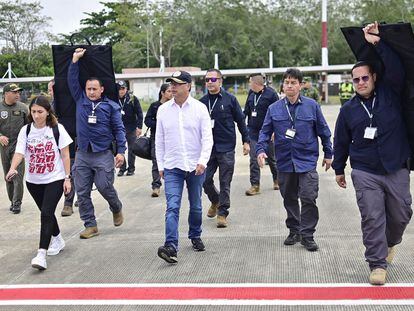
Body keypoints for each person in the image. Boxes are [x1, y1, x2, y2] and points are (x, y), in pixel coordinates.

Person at [332, 22, 412, 286]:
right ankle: (377, 263)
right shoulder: (348, 110)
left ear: (374, 77)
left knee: (401, 213)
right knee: (372, 216)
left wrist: (376, 43)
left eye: (365, 77)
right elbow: (341, 140)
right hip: (365, 169)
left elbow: (398, 70)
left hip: (395, 165)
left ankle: (391, 243)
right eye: (356, 79)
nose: (361, 82)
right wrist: (339, 168)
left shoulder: (390, 94)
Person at [256, 68, 332, 252]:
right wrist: (260, 150)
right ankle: (294, 230)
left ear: (300, 85)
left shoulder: (312, 106)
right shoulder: (274, 108)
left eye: (293, 82)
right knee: (289, 198)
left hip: (306, 161)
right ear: (283, 85)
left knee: (308, 197)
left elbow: (323, 131)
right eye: (287, 82)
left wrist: (329, 154)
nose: (289, 86)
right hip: (284, 162)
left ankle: (308, 235)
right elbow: (265, 132)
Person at [5, 95, 72, 270]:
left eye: (40, 112)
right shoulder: (26, 131)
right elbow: (19, 153)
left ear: (48, 112)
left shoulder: (57, 129)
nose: (36, 115)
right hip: (33, 181)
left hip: (55, 178)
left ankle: (41, 254)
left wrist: (67, 177)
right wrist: (12, 168)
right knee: (46, 213)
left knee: (46, 213)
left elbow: (65, 155)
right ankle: (58, 239)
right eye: (33, 112)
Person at [67, 47, 127, 239]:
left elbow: (119, 130)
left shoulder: (111, 106)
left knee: (104, 186)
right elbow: (71, 81)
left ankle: (116, 207)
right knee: (82, 192)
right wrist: (75, 60)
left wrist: (121, 151)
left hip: (103, 154)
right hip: (83, 153)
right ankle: (90, 225)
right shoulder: (80, 101)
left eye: (94, 89)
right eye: (88, 89)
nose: (91, 92)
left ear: (101, 89)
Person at [156, 70, 213, 264]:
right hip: (172, 166)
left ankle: (195, 234)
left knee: (196, 206)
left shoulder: (199, 109)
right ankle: (171, 246)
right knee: (172, 206)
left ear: (188, 86)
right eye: (171, 83)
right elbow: (159, 141)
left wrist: (203, 161)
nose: (173, 87)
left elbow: (207, 139)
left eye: (178, 83)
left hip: (195, 167)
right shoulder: (163, 110)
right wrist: (161, 165)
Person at [200, 69, 249, 228]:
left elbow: (241, 121)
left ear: (220, 81)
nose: (209, 82)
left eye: (213, 79)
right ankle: (215, 200)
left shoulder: (230, 100)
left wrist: (246, 141)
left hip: (226, 147)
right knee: (204, 179)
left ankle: (222, 213)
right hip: (208, 149)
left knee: (225, 182)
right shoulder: (201, 102)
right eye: (207, 80)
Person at [243, 73, 279, 195]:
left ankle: (277, 179)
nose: (249, 84)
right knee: (254, 159)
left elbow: (278, 113)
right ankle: (255, 185)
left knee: (272, 159)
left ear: (255, 83)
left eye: (249, 82)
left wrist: (275, 130)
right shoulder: (251, 94)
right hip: (253, 132)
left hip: (268, 132)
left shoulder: (271, 94)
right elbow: (246, 111)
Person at [0, 83, 28, 214]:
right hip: (4, 148)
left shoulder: (23, 108)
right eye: (14, 92)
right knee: (8, 175)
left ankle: (17, 203)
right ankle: (12, 200)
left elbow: (30, 127)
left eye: (18, 92)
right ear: (6, 94)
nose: (18, 94)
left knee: (17, 175)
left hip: (19, 147)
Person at [144, 83, 173, 197]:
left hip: (170, 138)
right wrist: (160, 125)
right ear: (162, 93)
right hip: (156, 137)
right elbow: (147, 121)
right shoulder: (155, 106)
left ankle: (171, 185)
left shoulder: (174, 106)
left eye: (172, 91)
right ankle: (156, 186)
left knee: (170, 162)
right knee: (156, 162)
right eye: (169, 91)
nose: (171, 93)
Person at [116, 80, 143, 177]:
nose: (121, 91)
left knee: (132, 149)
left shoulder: (132, 99)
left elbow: (139, 113)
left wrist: (139, 127)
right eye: (119, 89)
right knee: (119, 149)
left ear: (126, 89)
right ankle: (122, 168)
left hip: (131, 128)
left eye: (123, 89)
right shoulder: (114, 99)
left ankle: (131, 168)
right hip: (118, 129)